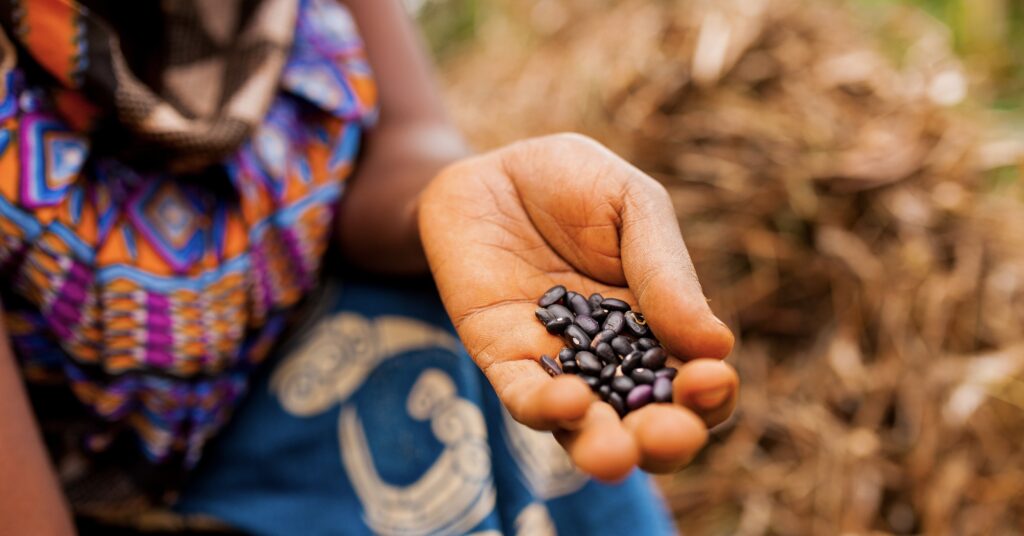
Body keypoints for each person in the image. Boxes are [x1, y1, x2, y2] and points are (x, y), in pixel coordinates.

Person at [0, 0, 740, 534]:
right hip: (107, 482)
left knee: (480, 362)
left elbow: (402, 140)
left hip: (300, 356)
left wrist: (455, 200)